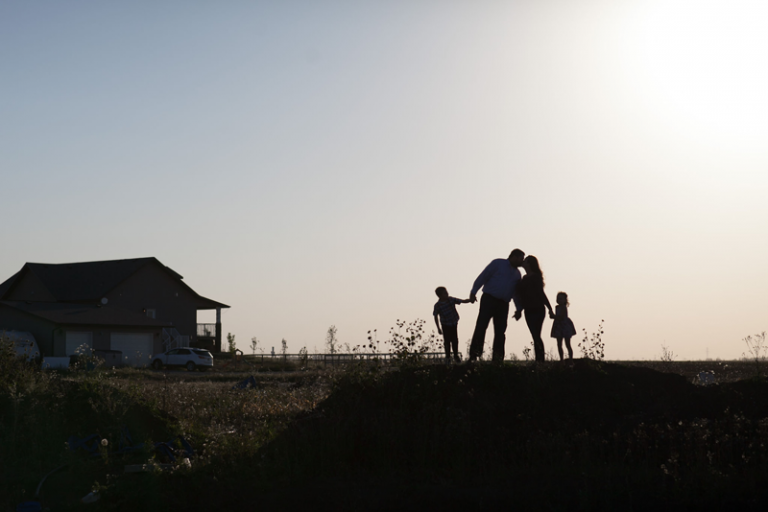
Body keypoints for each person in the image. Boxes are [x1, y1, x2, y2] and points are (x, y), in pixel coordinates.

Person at [468, 249, 525, 362]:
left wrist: (518, 309)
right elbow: (483, 276)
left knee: (500, 331)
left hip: (503, 304)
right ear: (514, 256)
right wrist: (473, 291)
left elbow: (515, 293)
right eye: (520, 259)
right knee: (481, 326)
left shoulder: (517, 274)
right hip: (489, 299)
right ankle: (474, 355)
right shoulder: (498, 264)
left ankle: (498, 358)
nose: (521, 262)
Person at [514, 255, 554, 362]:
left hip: (538, 309)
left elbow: (541, 294)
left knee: (536, 335)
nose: (523, 262)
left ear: (529, 264)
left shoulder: (535, 277)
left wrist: (550, 309)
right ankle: (539, 360)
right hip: (528, 310)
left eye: (525, 261)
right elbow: (521, 295)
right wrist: (519, 309)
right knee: (535, 335)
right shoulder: (524, 278)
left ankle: (540, 360)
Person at [433, 287, 471, 362]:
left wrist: (470, 300)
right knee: (447, 340)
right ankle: (448, 357)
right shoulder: (438, 305)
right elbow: (435, 316)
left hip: (453, 323)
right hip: (445, 324)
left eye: (446, 292)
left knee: (455, 340)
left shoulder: (451, 300)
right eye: (445, 293)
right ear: (440, 295)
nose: (447, 294)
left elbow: (462, 301)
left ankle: (456, 356)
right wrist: (438, 328)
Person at [551, 291, 577, 361]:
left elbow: (561, 316)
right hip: (558, 326)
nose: (559, 300)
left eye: (561, 299)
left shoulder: (563, 307)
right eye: (558, 298)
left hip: (564, 326)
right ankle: (561, 359)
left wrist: (553, 316)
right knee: (559, 344)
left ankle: (570, 358)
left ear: (565, 300)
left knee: (567, 344)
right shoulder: (557, 307)